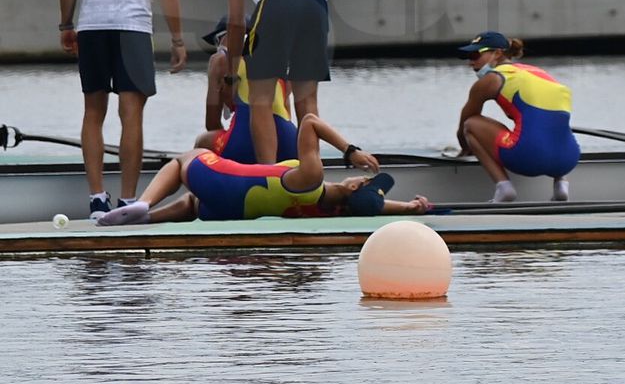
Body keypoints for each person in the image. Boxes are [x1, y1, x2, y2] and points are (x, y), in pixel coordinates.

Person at [58, 0, 187, 220]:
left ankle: (97, 198)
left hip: (92, 23)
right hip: (132, 25)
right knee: (131, 114)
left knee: (93, 111)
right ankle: (128, 201)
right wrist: (178, 39)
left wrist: (66, 24)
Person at [96, 113, 430, 224]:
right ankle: (146, 221)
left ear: (354, 185)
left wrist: (350, 151)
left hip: (227, 180)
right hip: (233, 210)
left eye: (359, 179)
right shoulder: (331, 210)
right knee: (195, 204)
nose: (357, 176)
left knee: (189, 155)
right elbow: (370, 206)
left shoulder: (311, 178)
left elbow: (310, 122)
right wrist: (411, 208)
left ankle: (142, 203)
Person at [222, 0, 330, 164]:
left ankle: (268, 176)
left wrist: (231, 74)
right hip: (317, 4)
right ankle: (310, 175)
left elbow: (237, 20)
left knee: (261, 99)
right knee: (307, 100)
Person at [455, 31, 580, 202]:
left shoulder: (491, 80)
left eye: (475, 55)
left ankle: (504, 188)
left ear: (497, 53)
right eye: (468, 56)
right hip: (569, 158)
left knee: (471, 124)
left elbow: (463, 126)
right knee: (550, 125)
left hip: (526, 158)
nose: (470, 62)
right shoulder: (539, 73)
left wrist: (465, 149)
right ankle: (561, 185)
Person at [197, 14, 299, 164]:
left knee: (202, 142)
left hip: (243, 141)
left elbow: (211, 123)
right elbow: (286, 113)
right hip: (290, 143)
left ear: (220, 39)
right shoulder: (279, 60)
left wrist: (229, 138)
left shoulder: (219, 60)